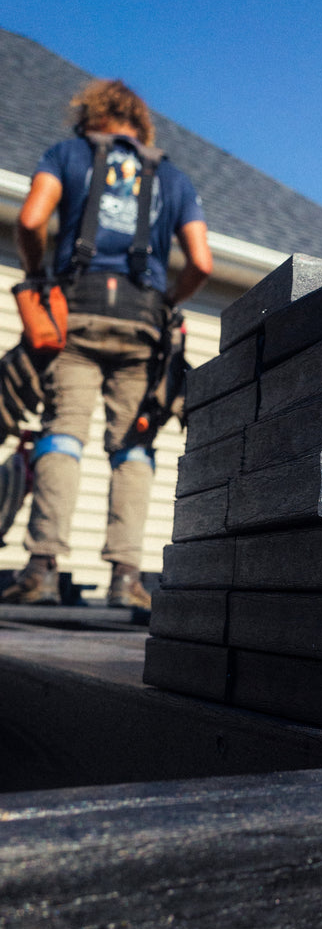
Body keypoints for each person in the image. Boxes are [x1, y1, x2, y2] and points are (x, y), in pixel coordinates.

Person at [4, 78, 212, 609]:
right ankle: (126, 578)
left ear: (90, 114)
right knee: (134, 445)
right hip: (143, 324)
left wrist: (39, 276)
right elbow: (202, 262)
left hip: (75, 314)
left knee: (62, 436)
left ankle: (42, 568)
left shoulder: (66, 153)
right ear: (140, 123)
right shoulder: (173, 178)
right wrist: (166, 301)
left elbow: (30, 219)